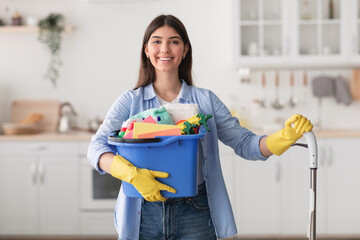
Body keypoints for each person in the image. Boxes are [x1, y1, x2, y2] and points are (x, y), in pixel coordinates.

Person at [87, 14, 313, 240]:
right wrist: (132, 175)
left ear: (185, 50)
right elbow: (96, 147)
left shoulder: (205, 102)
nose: (164, 49)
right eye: (156, 41)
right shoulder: (130, 101)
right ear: (146, 50)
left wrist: (283, 137)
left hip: (195, 210)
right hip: (143, 210)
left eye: (174, 41)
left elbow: (246, 144)